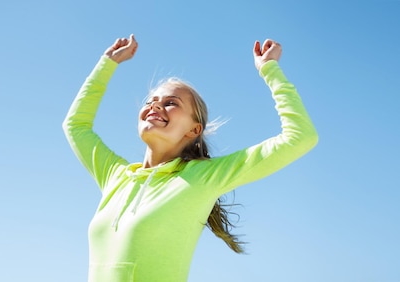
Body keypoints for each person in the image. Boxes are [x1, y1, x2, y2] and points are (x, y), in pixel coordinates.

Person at [62, 34, 318, 282]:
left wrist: (270, 69)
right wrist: (107, 64)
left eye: (171, 103)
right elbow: (75, 126)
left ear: (194, 130)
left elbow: (300, 137)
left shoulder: (203, 177)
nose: (155, 106)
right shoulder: (115, 175)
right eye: (150, 101)